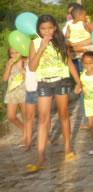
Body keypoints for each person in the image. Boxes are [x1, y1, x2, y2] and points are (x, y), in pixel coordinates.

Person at [27, 15, 82, 172]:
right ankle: (41, 156)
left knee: (64, 115)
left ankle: (68, 148)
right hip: (44, 81)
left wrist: (78, 81)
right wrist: (42, 47)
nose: (47, 31)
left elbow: (69, 63)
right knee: (43, 118)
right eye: (43, 29)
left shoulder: (61, 42)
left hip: (61, 81)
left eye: (50, 28)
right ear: (38, 29)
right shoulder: (34, 43)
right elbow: (32, 67)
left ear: (55, 28)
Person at [3, 48, 26, 146]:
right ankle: (25, 129)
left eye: (17, 52)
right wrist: (8, 67)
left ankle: (26, 136)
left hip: (23, 91)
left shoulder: (25, 62)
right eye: (12, 53)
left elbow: (28, 77)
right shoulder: (9, 63)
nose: (14, 55)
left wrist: (21, 68)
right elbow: (5, 79)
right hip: (12, 92)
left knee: (25, 115)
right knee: (11, 116)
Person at [23, 60, 38, 151]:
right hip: (29, 91)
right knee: (29, 117)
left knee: (42, 116)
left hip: (39, 89)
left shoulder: (37, 58)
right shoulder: (23, 61)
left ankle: (46, 137)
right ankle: (28, 142)